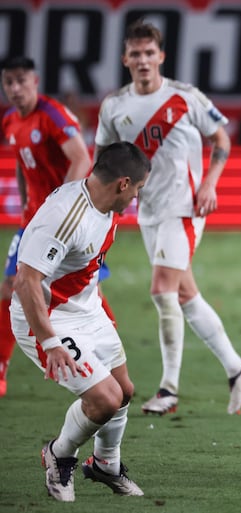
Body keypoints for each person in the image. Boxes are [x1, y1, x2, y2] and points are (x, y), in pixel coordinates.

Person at [94, 20, 241, 416]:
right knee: (184, 294)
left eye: (150, 53)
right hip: (147, 211)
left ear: (161, 57)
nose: (143, 60)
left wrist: (210, 184)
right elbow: (104, 159)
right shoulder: (114, 106)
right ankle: (238, 369)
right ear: (125, 59)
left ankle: (168, 389)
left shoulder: (186, 97)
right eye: (136, 54)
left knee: (161, 289)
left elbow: (222, 138)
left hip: (185, 208)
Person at [11, 141, 150, 502]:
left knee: (124, 392)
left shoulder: (103, 202)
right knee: (105, 399)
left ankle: (106, 464)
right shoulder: (66, 215)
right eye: (137, 188)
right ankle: (58, 454)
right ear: (122, 184)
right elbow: (25, 281)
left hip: (86, 309)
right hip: (46, 317)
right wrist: (51, 342)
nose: (137, 197)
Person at [0, 56, 117, 398]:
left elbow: (81, 158)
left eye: (21, 80)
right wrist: (26, 206)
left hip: (62, 225)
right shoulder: (10, 121)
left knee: (86, 287)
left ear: (35, 81)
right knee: (11, 285)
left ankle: (106, 343)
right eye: (9, 82)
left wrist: (57, 206)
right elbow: (23, 164)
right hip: (32, 223)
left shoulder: (53, 116)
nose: (15, 88)